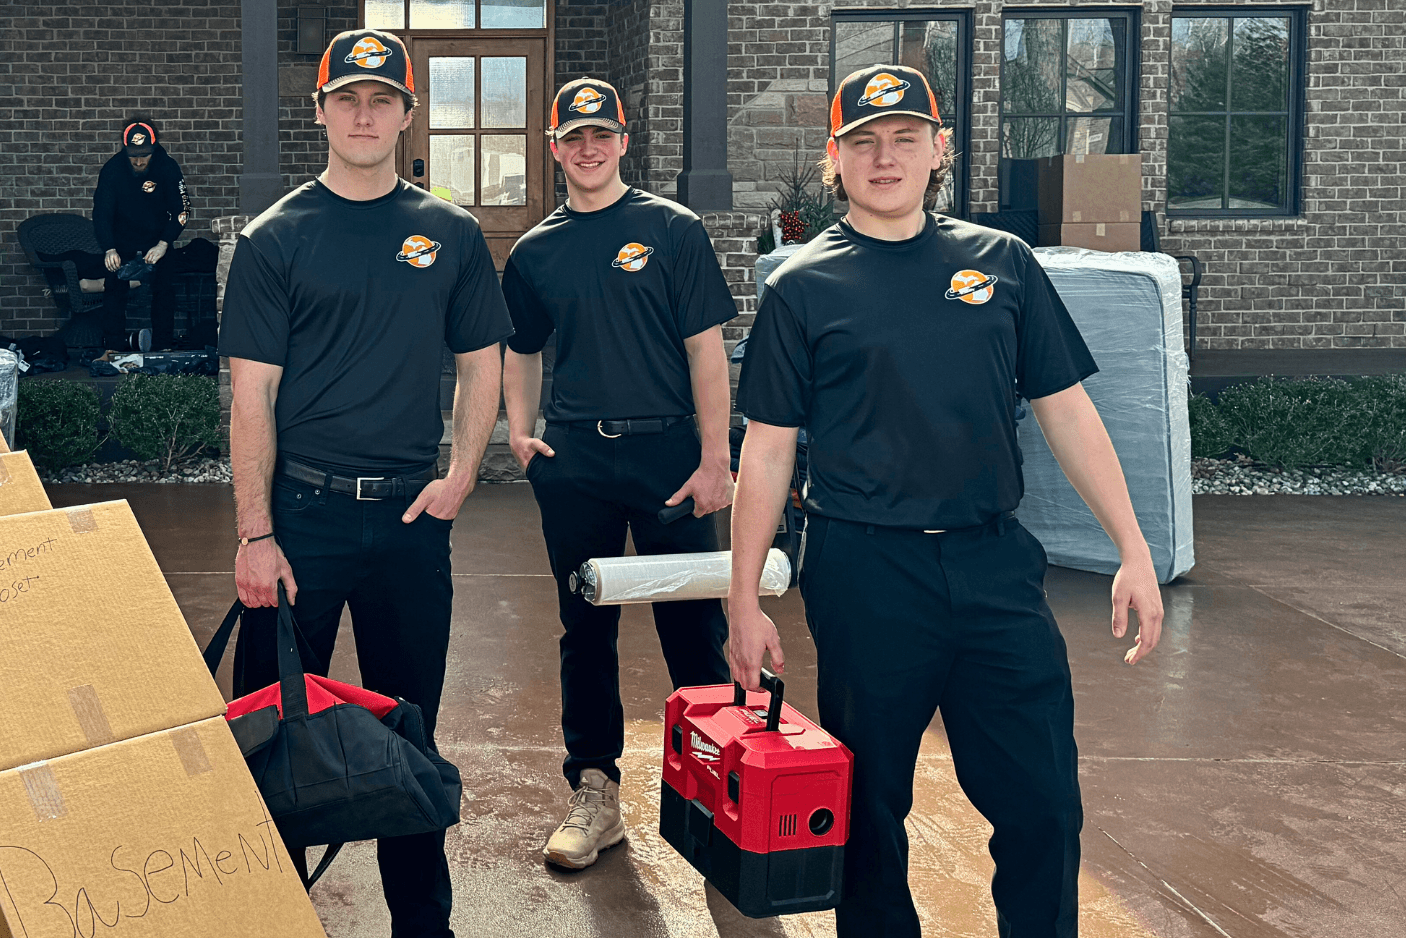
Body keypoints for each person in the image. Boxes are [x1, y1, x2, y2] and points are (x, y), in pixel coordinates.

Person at [727, 65, 1165, 938]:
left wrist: (1135, 548)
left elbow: (1068, 409)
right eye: (863, 141)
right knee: (869, 819)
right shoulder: (802, 289)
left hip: (993, 566)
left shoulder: (1001, 263)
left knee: (1044, 807)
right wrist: (743, 598)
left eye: (904, 138)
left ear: (940, 151)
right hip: (865, 571)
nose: (884, 157)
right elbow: (768, 450)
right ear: (833, 160)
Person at [218, 28, 511, 938]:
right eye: (347, 97)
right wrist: (255, 534)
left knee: (407, 735)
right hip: (299, 522)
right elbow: (252, 396)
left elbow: (482, 362)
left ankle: (424, 926)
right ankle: (266, 912)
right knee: (270, 734)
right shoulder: (277, 239)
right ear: (319, 111)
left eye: (383, 99)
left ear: (407, 115)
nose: (364, 113)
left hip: (410, 522)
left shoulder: (451, 233)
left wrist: (461, 475)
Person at [500, 77, 737, 870]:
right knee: (586, 628)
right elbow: (522, 346)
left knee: (692, 625)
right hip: (576, 461)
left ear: (624, 141)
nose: (588, 147)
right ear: (554, 146)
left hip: (671, 458)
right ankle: (596, 791)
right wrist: (519, 429)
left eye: (602, 133)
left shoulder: (673, 230)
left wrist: (715, 458)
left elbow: (706, 347)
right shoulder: (536, 250)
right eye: (573, 136)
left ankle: (717, 790)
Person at [93, 119, 190, 350]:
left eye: (144, 155)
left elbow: (182, 210)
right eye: (133, 155)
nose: (138, 161)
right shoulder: (112, 169)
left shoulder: (167, 167)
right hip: (121, 240)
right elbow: (101, 213)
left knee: (164, 292)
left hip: (157, 240)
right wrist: (108, 247)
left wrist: (164, 243)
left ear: (154, 149)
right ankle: (113, 348)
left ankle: (162, 346)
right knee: (114, 292)